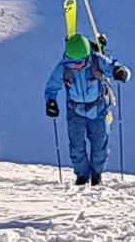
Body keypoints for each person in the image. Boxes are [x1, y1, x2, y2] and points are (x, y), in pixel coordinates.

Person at [43, 32, 124, 185]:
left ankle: (97, 175)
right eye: (72, 62)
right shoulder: (64, 68)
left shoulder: (97, 61)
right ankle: (82, 176)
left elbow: (114, 67)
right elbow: (51, 86)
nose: (76, 65)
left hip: (99, 109)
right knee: (76, 146)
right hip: (75, 111)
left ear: (87, 56)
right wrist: (51, 102)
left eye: (80, 62)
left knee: (99, 144)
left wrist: (121, 72)